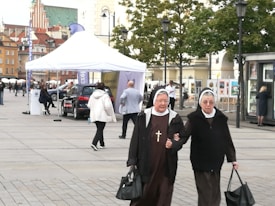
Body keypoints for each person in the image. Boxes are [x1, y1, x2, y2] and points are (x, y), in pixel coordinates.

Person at [178, 87, 238, 206]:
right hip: (200, 161)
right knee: (205, 192)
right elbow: (184, 135)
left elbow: (227, 139)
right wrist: (174, 143)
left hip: (216, 160)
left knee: (215, 191)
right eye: (205, 102)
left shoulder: (221, 118)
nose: (208, 105)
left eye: (211, 102)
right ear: (200, 103)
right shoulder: (194, 118)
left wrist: (233, 159)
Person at [127, 89, 185, 206]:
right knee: (144, 195)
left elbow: (182, 137)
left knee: (164, 195)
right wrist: (132, 160)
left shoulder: (175, 118)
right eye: (160, 101)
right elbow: (135, 139)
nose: (163, 103)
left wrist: (174, 144)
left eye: (165, 101)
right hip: (146, 164)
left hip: (166, 166)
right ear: (154, 101)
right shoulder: (144, 116)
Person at [87, 82, 116, 151]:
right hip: (102, 114)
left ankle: (102, 143)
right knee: (100, 129)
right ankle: (94, 143)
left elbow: (89, 105)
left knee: (99, 129)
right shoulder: (105, 95)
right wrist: (110, 114)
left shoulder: (92, 95)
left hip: (95, 115)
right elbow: (108, 106)